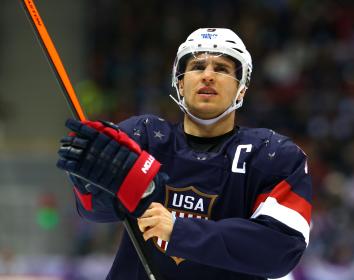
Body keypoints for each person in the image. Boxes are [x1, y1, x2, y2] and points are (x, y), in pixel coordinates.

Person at [57, 28, 312, 280]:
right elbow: (95, 212)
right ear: (180, 81)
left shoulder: (273, 155)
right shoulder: (142, 137)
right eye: (197, 67)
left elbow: (281, 250)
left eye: (222, 69)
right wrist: (91, 189)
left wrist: (179, 231)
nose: (208, 76)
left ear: (242, 88)